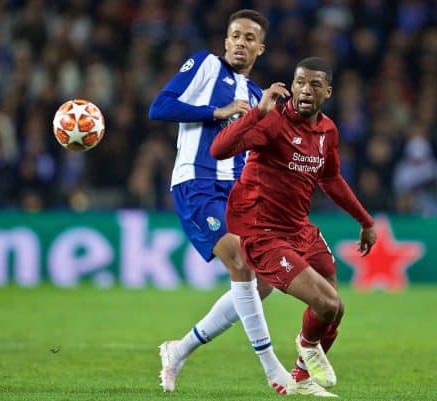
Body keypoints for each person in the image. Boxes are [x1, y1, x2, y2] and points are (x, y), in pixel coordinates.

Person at [211, 57, 377, 397]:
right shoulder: (273, 123)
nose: (305, 89)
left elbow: (330, 179)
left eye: (315, 85)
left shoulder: (327, 130)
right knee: (327, 305)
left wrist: (365, 220)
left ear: (327, 92)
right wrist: (257, 112)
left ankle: (301, 378)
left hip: (299, 228)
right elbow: (219, 149)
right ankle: (307, 345)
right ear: (293, 85)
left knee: (336, 310)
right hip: (264, 233)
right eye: (300, 82)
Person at [148, 9, 290, 395]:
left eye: (249, 39)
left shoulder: (259, 96)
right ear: (225, 41)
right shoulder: (206, 65)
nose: (240, 43)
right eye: (235, 36)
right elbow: (159, 107)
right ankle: (272, 369)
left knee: (264, 284)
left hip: (238, 194)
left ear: (261, 48)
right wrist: (217, 112)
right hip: (198, 183)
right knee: (241, 262)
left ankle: (179, 349)